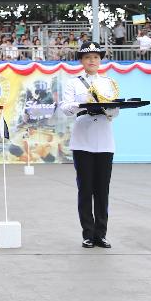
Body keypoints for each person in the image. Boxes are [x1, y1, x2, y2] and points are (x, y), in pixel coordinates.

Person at [59, 42, 119, 249]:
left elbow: (115, 112)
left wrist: (106, 109)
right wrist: (83, 104)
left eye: (95, 57)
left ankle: (101, 234)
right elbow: (65, 108)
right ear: (81, 61)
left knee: (102, 190)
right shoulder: (73, 83)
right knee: (85, 189)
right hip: (82, 140)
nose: (92, 61)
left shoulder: (109, 83)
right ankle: (87, 234)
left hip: (104, 140)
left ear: (100, 60)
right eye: (87, 57)